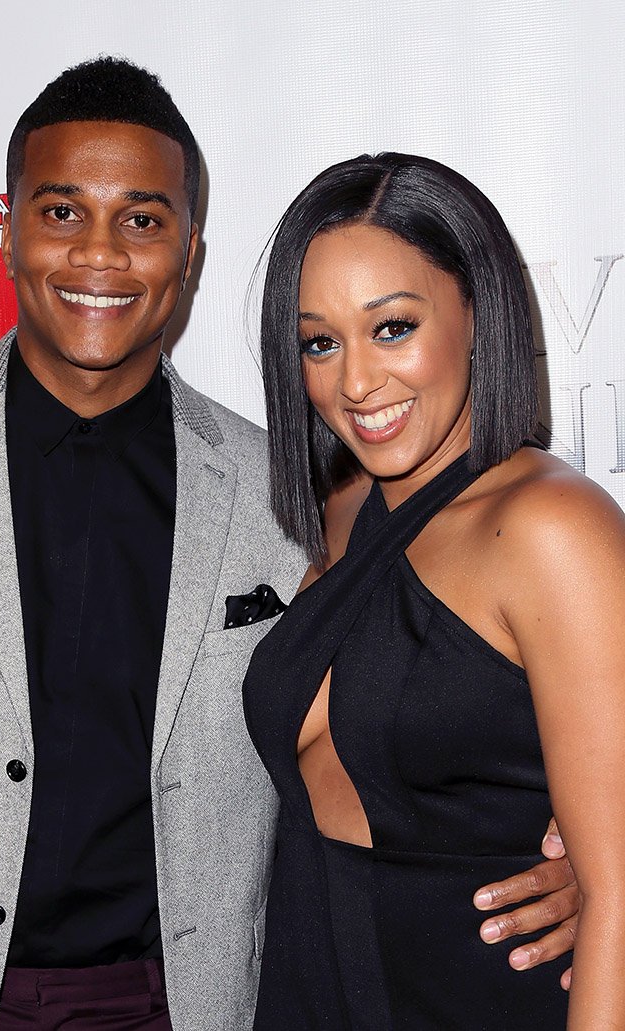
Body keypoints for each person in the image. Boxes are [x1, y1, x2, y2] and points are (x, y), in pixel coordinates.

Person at [0, 62, 575, 1031]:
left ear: (188, 253)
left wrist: (574, 858)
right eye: (61, 212)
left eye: (141, 220)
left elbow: (413, 722)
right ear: (7, 230)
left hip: (189, 999)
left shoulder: (292, 492)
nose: (98, 254)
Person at [243, 152, 625, 1028]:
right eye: (319, 342)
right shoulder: (345, 512)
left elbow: (619, 898)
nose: (356, 383)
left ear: (476, 311)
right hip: (317, 991)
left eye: (392, 327)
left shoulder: (553, 530)